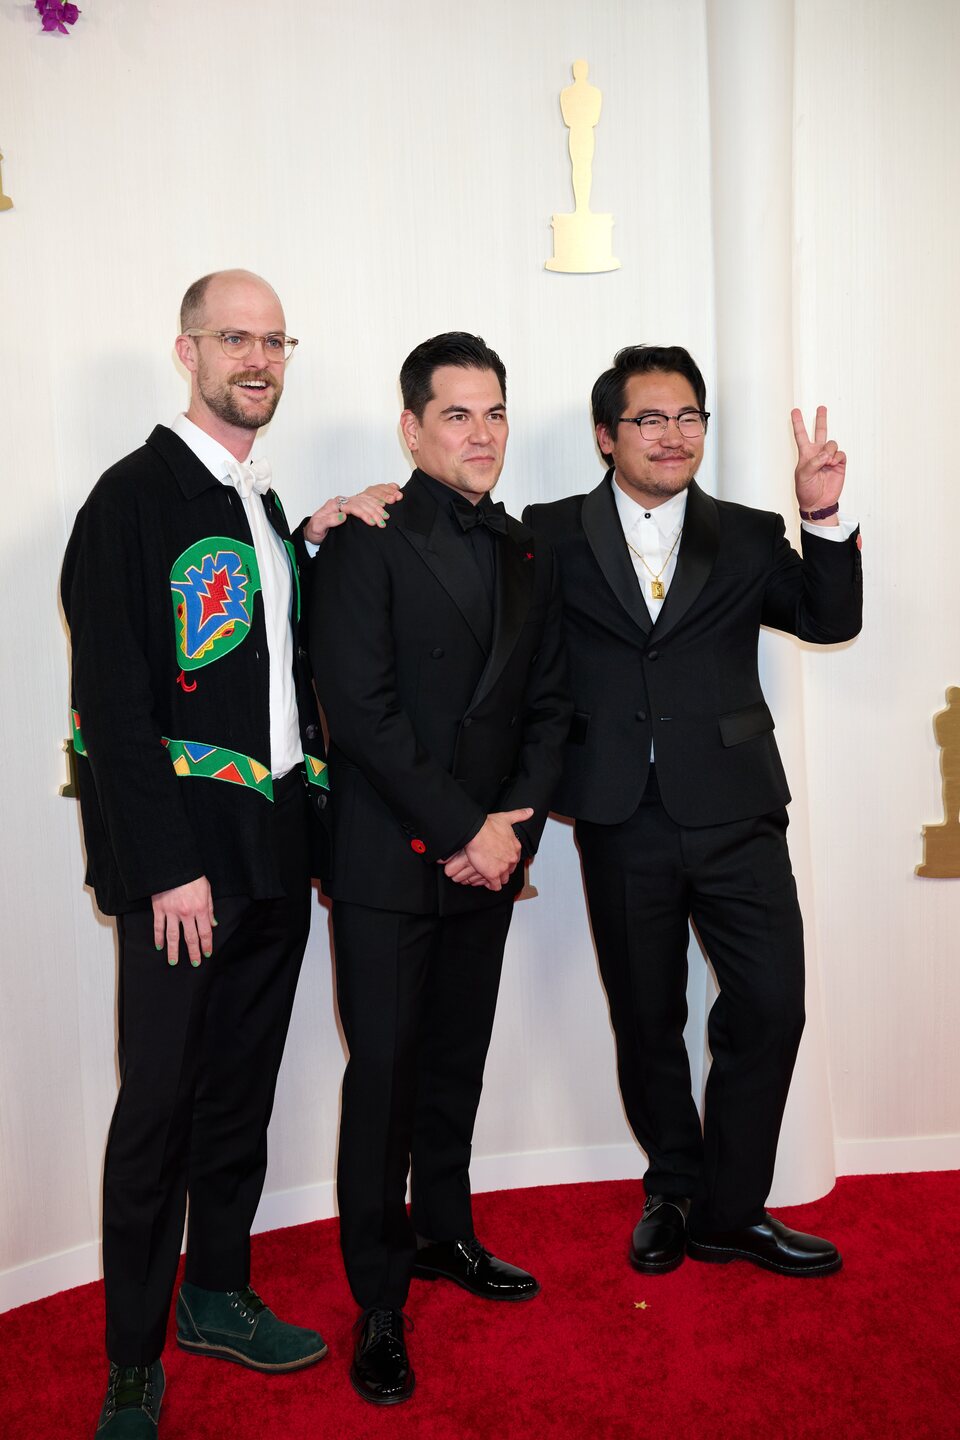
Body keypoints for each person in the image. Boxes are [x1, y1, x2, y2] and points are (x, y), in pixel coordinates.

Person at [61, 269, 398, 1438]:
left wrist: (310, 535)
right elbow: (108, 702)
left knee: (240, 1095)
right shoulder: (129, 501)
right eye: (234, 339)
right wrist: (162, 865)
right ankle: (130, 1359)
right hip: (184, 877)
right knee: (158, 1105)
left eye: (274, 341)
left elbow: (263, 678)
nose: (258, 359)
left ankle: (215, 1292)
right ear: (187, 351)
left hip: (268, 857)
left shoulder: (258, 504)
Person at [524, 345, 862, 1282]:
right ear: (606, 436)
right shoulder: (549, 533)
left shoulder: (750, 534)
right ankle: (673, 1185)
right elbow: (500, 638)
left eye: (690, 418)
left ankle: (730, 1207)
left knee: (771, 1004)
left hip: (737, 811)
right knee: (647, 1015)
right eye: (650, 419)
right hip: (617, 813)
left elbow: (830, 622)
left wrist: (822, 514)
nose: (675, 436)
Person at [310, 332, 571, 1406]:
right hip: (390, 860)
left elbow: (551, 705)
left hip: (488, 860)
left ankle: (446, 1236)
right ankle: (378, 1299)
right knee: (383, 1081)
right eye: (456, 414)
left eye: (495, 412)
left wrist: (512, 827)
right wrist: (467, 828)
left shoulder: (524, 550)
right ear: (411, 427)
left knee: (455, 1065)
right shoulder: (361, 541)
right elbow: (360, 716)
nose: (481, 433)